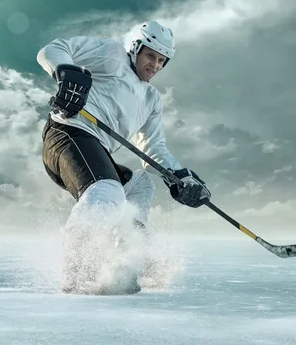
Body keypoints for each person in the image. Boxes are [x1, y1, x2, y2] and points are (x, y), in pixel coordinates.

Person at [37, 20, 211, 294]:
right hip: (67, 133)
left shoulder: (151, 99)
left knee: (140, 185)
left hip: (97, 150)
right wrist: (66, 72)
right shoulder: (112, 56)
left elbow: (153, 148)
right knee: (108, 190)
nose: (155, 65)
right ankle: (76, 267)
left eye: (162, 60)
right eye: (150, 56)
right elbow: (55, 48)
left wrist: (180, 176)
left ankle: (126, 258)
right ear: (136, 49)